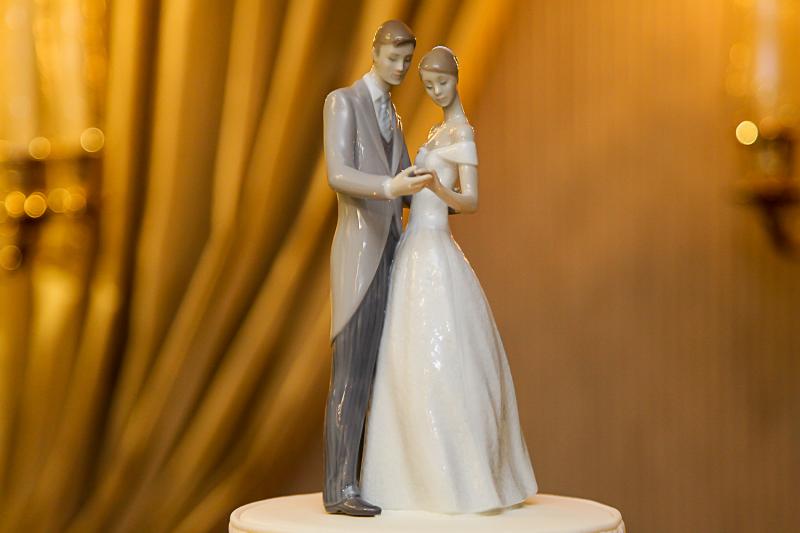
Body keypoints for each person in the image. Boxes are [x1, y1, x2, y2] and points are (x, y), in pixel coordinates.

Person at [360, 46, 538, 514]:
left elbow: (470, 200)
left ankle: (459, 476)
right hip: (415, 246)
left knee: (445, 352)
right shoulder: (437, 131)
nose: (436, 91)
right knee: (407, 353)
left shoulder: (461, 132)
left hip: (436, 247)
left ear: (456, 78)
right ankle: (409, 475)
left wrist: (436, 187)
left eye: (441, 83)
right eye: (428, 85)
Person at [322, 20, 433, 516]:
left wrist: (439, 187)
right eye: (393, 58)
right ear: (374, 52)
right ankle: (339, 487)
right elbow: (338, 173)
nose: (400, 68)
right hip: (359, 256)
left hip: (391, 253)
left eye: (407, 60)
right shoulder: (343, 102)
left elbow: (405, 177)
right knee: (351, 376)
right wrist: (391, 188)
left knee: (382, 376)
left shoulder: (395, 117)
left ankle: (370, 479)